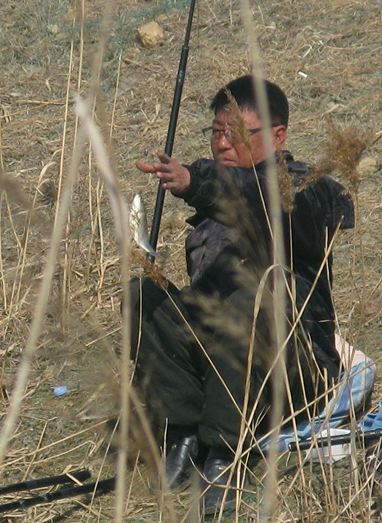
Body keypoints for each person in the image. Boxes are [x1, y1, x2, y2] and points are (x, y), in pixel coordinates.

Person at [127, 75, 354, 515]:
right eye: (216, 132)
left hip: (292, 370)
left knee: (253, 295)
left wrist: (196, 182)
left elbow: (257, 195)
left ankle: (224, 455)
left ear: (278, 137)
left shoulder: (307, 189)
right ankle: (183, 432)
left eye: (235, 135)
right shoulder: (212, 208)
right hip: (223, 368)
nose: (222, 144)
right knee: (144, 295)